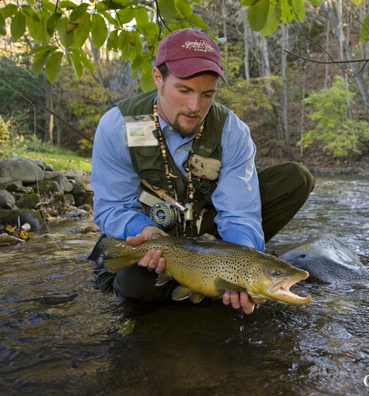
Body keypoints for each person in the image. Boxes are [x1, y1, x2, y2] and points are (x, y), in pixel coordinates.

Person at [89, 28, 314, 315]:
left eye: (207, 94)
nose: (195, 107)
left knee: (294, 178)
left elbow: (239, 213)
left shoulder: (231, 131)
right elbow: (111, 207)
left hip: (204, 228)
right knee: (136, 288)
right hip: (152, 234)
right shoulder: (119, 126)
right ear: (158, 79)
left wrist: (243, 267)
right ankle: (184, 281)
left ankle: (208, 276)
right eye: (183, 90)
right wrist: (144, 231)